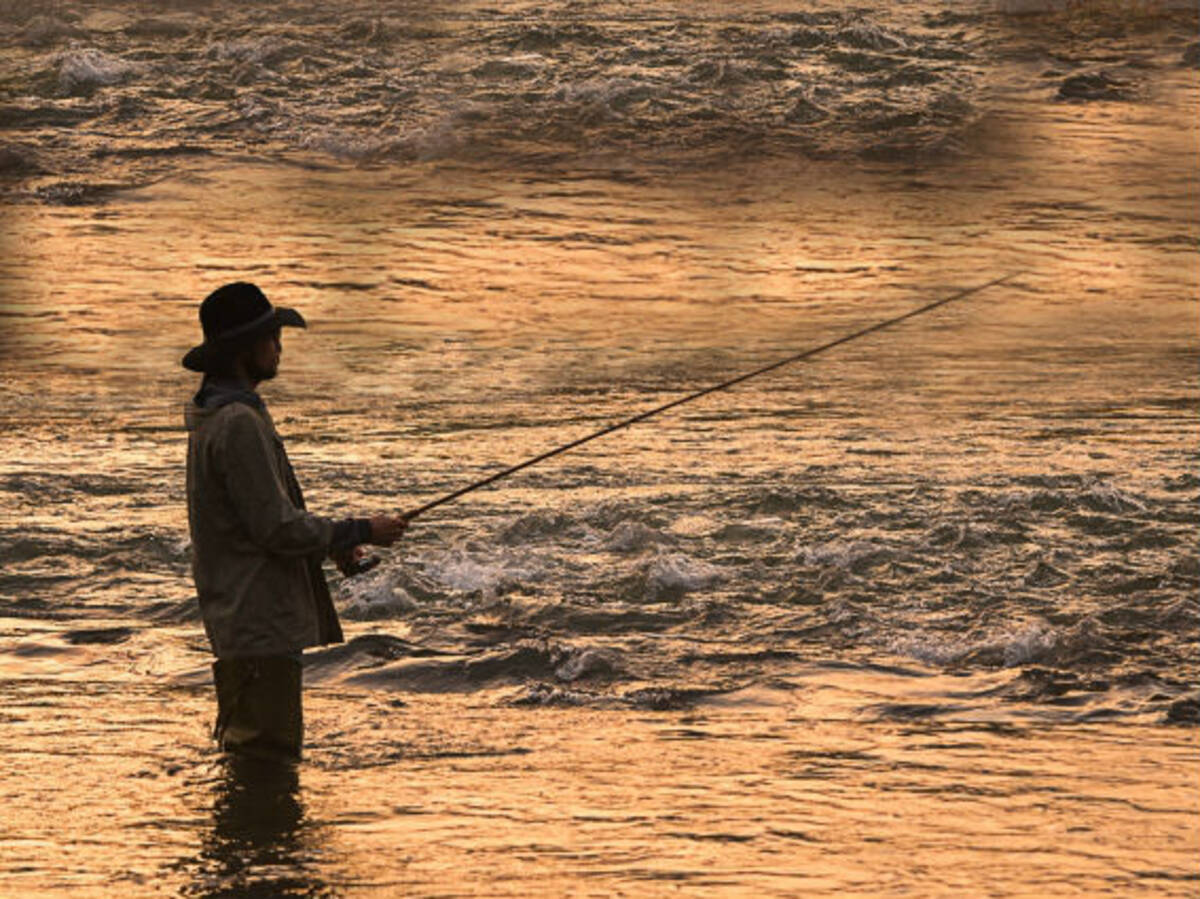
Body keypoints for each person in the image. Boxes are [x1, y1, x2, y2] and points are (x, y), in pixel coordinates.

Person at [182, 282, 408, 760]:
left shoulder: (219, 417)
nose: (278, 347)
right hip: (257, 622)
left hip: (245, 621)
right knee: (267, 759)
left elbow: (262, 518)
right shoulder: (238, 423)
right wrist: (362, 529)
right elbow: (276, 528)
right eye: (270, 336)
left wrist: (329, 545)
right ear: (244, 348)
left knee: (251, 754)